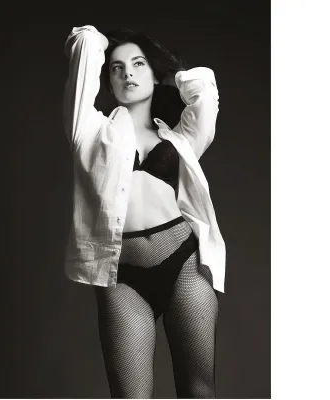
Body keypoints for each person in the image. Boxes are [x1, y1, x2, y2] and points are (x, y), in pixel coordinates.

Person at [63, 24, 226, 399]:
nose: (128, 73)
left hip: (185, 261)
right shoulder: (88, 131)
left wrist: (172, 73)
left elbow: (204, 91)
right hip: (123, 276)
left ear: (153, 74)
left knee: (199, 390)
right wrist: (105, 43)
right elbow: (84, 43)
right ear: (108, 80)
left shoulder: (180, 136)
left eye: (138, 64)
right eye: (117, 68)